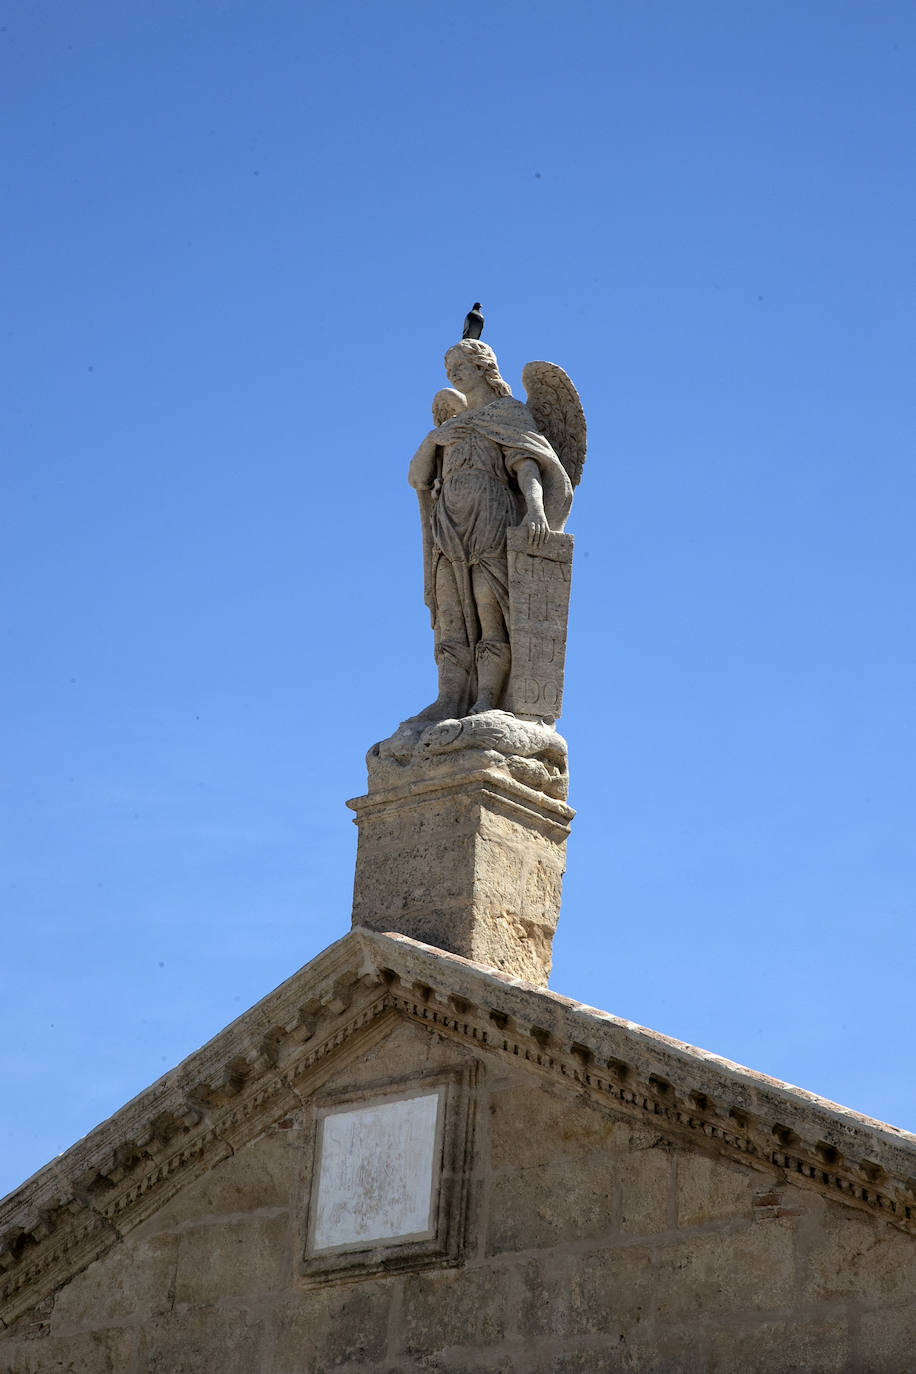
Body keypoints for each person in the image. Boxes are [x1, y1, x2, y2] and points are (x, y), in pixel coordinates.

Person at [408, 339, 572, 720]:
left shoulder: (508, 413)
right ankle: (449, 698)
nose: (453, 373)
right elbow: (418, 478)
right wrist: (433, 439)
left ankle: (487, 699)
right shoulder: (450, 427)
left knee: (489, 607)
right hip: (448, 525)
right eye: (449, 368)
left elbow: (526, 464)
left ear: (483, 366)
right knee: (450, 611)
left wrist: (535, 510)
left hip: (490, 518)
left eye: (460, 365)